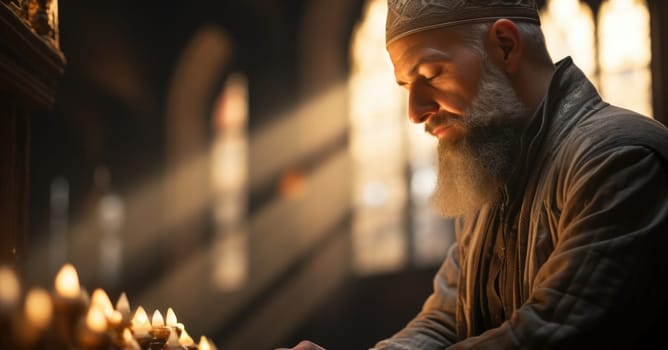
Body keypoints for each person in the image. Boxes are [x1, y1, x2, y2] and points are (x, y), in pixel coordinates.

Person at [278, 0, 668, 349]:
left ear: (506, 46)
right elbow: (444, 322)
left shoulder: (623, 158)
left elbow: (547, 334)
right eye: (406, 87)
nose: (415, 111)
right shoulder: (490, 167)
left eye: (430, 75)